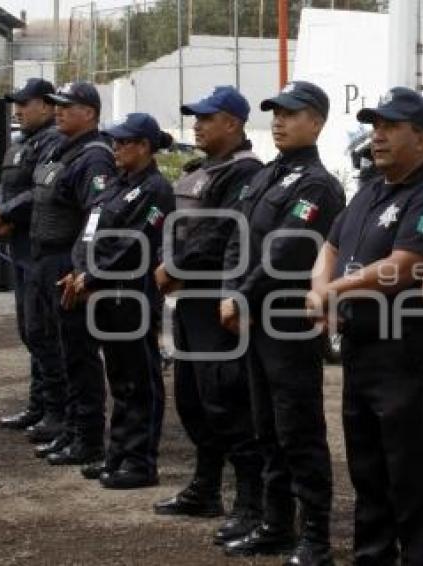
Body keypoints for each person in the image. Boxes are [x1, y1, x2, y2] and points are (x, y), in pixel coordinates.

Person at [308, 87, 423, 564]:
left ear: (421, 136)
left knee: (411, 468)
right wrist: (320, 289)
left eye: (391, 127)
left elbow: (406, 265)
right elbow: (330, 247)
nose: (379, 137)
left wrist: (335, 291)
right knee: (368, 466)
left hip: (407, 348)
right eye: (375, 127)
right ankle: (372, 556)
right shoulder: (370, 189)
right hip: (362, 345)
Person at [219, 81, 344, 565]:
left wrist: (242, 296)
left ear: (317, 121)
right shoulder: (265, 176)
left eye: (291, 113)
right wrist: (233, 291)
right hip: (253, 320)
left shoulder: (317, 185)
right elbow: (237, 236)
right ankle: (275, 524)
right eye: (275, 112)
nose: (279, 120)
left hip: (288, 321)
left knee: (298, 429)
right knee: (264, 426)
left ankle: (315, 536)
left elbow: (286, 249)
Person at [151, 88, 264, 540]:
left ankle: (251, 502)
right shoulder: (202, 170)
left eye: (206, 118)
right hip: (189, 302)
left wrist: (171, 269)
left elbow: (221, 234)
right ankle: (206, 486)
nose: (196, 125)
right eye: (195, 118)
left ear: (233, 124)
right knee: (194, 401)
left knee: (227, 402)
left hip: (217, 300)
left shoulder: (245, 173)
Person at [60, 113, 175, 488]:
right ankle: (119, 453)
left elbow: (135, 244)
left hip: (131, 295)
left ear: (143, 146)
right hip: (105, 294)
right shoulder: (116, 186)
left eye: (123, 142)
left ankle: (140, 461)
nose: (116, 148)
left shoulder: (155, 189)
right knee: (120, 378)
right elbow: (89, 234)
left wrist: (92, 276)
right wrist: (79, 271)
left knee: (139, 379)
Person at [27, 82, 115, 465]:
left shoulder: (95, 157)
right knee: (52, 345)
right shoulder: (62, 149)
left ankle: (88, 438)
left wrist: (82, 268)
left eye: (67, 106)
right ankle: (68, 427)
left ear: (90, 114)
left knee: (78, 354)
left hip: (67, 262)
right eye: (57, 105)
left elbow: (96, 217)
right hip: (45, 259)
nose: (58, 111)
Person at [0, 78, 65, 434]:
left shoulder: (55, 142)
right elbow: (4, 187)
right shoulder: (20, 143)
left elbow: (41, 191)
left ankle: (57, 411)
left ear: (48, 106)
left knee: (43, 331)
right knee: (29, 330)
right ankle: (39, 405)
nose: (18, 110)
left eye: (25, 103)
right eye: (16, 104)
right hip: (19, 248)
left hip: (41, 249)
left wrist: (6, 213)